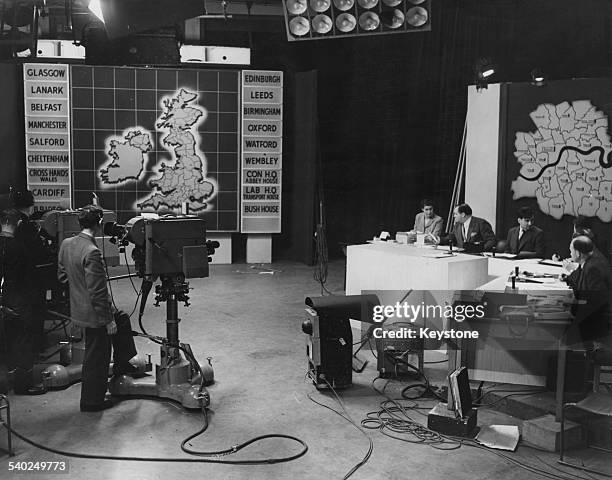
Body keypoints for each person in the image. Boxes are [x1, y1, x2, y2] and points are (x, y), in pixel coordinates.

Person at [57, 205, 138, 412]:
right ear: (99, 223)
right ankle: (92, 402)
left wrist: (79, 290)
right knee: (97, 357)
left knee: (122, 318)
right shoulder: (92, 252)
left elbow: (62, 276)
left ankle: (123, 363)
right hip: (94, 314)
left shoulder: (67, 244)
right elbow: (98, 292)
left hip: (79, 309)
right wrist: (107, 320)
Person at [0, 209, 45, 395]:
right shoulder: (19, 248)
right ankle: (23, 384)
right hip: (19, 298)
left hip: (4, 296)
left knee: (8, 338)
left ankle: (7, 379)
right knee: (23, 339)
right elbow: (29, 276)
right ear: (17, 223)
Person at [10, 189, 53, 355]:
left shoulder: (7, 220)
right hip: (30, 277)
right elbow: (38, 253)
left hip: (12, 276)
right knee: (35, 310)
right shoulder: (27, 225)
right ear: (31, 206)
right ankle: (35, 346)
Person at [562, 236, 612, 347]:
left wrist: (572, 303)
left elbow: (595, 302)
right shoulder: (589, 261)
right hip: (592, 315)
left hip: (597, 321)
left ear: (578, 253)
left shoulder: (592, 268)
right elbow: (579, 280)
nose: (570, 254)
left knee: (559, 329)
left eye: (571, 251)